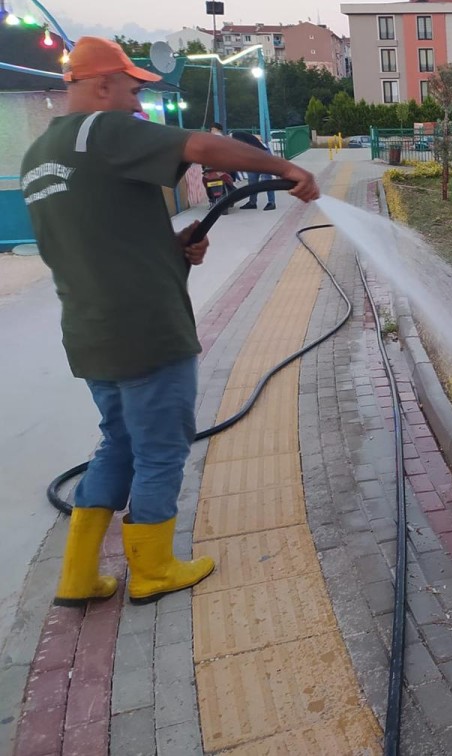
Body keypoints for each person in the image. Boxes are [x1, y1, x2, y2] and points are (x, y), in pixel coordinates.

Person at [19, 37, 319, 608]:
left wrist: (169, 246)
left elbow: (91, 239)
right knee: (162, 449)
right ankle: (154, 570)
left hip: (90, 333)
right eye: (131, 91)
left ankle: (78, 577)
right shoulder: (101, 131)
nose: (137, 106)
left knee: (119, 443)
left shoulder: (40, 155)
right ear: (101, 84)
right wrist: (283, 167)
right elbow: (204, 146)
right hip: (146, 332)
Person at [231, 130, 277, 210]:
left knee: (266, 181)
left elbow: (243, 148)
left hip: (263, 157)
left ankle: (271, 202)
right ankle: (252, 202)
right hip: (254, 158)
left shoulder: (236, 136)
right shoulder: (238, 136)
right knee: (252, 182)